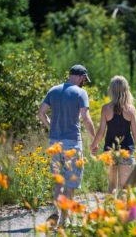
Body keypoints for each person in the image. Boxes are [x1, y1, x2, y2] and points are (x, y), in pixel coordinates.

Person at [38, 64, 96, 226]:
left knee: (59, 181)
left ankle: (56, 212)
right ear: (80, 77)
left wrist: (51, 127)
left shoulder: (53, 90)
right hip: (72, 144)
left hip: (54, 142)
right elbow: (86, 117)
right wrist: (95, 138)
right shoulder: (80, 93)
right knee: (70, 182)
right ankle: (63, 220)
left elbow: (41, 113)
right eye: (84, 79)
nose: (84, 82)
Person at [91, 75, 136, 193]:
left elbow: (101, 132)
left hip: (109, 150)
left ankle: (111, 211)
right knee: (125, 187)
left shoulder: (105, 108)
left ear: (111, 90)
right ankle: (124, 211)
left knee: (111, 186)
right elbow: (135, 133)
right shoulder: (131, 109)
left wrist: (93, 145)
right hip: (126, 150)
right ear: (126, 90)